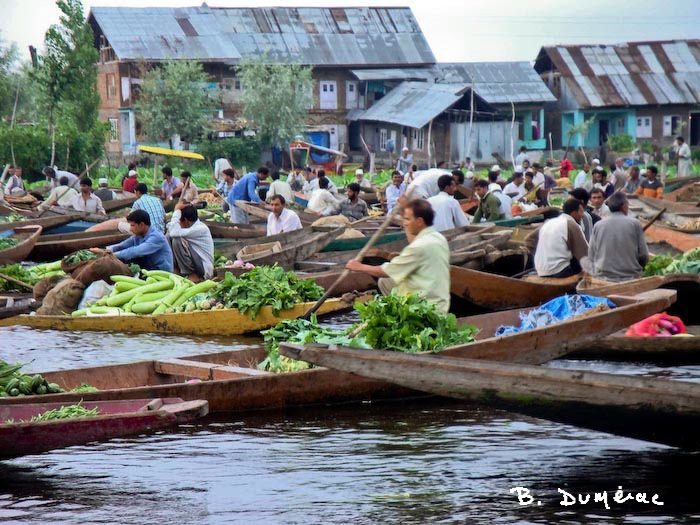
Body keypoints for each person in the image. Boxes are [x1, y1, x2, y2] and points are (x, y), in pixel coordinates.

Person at [345, 199, 450, 314]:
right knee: (385, 282)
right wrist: (403, 213)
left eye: (408, 219)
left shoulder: (418, 247)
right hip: (441, 301)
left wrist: (359, 267)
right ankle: (395, 312)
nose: (404, 223)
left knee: (385, 278)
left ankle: (399, 315)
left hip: (425, 306)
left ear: (419, 221)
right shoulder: (438, 237)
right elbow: (413, 241)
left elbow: (386, 271)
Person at [588, 192, 648, 282]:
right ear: (623, 206)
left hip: (604, 277)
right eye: (627, 205)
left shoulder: (598, 225)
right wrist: (642, 268)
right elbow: (643, 255)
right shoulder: (635, 223)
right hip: (630, 276)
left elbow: (591, 254)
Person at [97, 209, 173, 272]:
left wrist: (113, 255)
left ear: (141, 225)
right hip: (149, 265)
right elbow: (124, 245)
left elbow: (136, 251)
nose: (130, 229)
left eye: (132, 225)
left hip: (160, 270)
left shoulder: (156, 237)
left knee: (130, 258)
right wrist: (107, 249)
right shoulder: (139, 235)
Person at [534, 198, 588, 278]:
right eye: (581, 212)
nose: (583, 215)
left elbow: (529, 240)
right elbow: (584, 252)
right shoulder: (571, 225)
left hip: (540, 269)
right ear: (573, 213)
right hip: (559, 270)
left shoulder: (549, 222)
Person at [167, 203, 214, 282]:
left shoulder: (200, 228)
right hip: (196, 262)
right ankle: (176, 270)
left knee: (177, 240)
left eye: (180, 222)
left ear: (186, 221)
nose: (179, 224)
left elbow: (174, 232)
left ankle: (192, 275)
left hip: (203, 268)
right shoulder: (191, 227)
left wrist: (177, 211)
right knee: (168, 237)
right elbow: (170, 228)